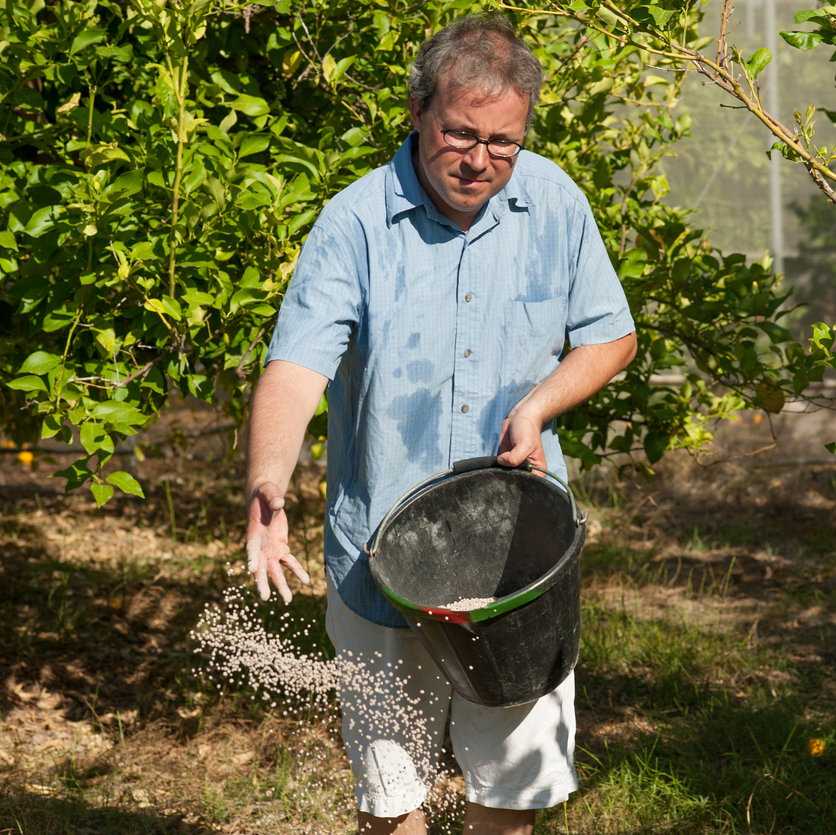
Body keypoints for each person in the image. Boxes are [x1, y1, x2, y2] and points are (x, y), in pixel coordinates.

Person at [241, 14, 637, 835]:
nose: (480, 158)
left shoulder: (554, 202)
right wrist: (268, 484)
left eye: (503, 141)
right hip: (378, 560)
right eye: (461, 132)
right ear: (419, 109)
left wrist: (538, 405)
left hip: (514, 561)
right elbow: (296, 367)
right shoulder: (352, 224)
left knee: (510, 791)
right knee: (393, 802)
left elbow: (610, 335)